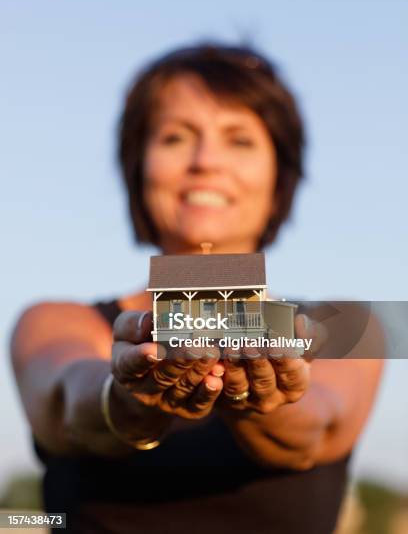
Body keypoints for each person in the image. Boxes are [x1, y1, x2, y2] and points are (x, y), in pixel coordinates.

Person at [10, 43, 383, 534]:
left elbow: (315, 429)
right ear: (138, 166)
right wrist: (126, 400)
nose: (206, 161)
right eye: (175, 137)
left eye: (240, 140)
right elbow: (69, 402)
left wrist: (265, 396)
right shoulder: (55, 321)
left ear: (279, 176)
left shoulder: (347, 324)